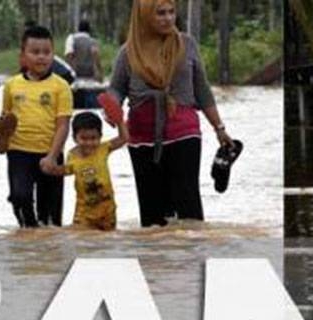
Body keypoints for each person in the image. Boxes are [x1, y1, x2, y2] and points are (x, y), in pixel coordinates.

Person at [108, 0, 234, 227]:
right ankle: (160, 258)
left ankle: (193, 257)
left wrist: (220, 129)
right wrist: (112, 109)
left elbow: (202, 90)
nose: (168, 18)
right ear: (145, 16)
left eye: (171, 12)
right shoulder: (128, 52)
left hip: (184, 132)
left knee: (189, 207)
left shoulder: (187, 44)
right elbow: (116, 88)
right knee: (152, 214)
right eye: (160, 13)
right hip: (142, 138)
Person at [0, 25, 73, 228]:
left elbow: (63, 125)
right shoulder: (11, 85)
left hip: (50, 153)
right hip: (19, 153)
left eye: (47, 52)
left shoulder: (61, 86)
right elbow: (5, 120)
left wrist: (51, 156)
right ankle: (27, 238)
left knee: (50, 220)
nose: (42, 57)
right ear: (23, 55)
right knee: (20, 197)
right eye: (35, 52)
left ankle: (46, 251)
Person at [42, 111, 128, 230]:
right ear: (74, 138)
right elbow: (65, 170)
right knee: (81, 240)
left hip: (107, 210)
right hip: (84, 212)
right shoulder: (73, 155)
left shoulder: (103, 149)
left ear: (100, 136)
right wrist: (50, 169)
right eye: (83, 138)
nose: (89, 143)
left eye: (93, 138)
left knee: (107, 240)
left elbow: (124, 138)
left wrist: (119, 121)